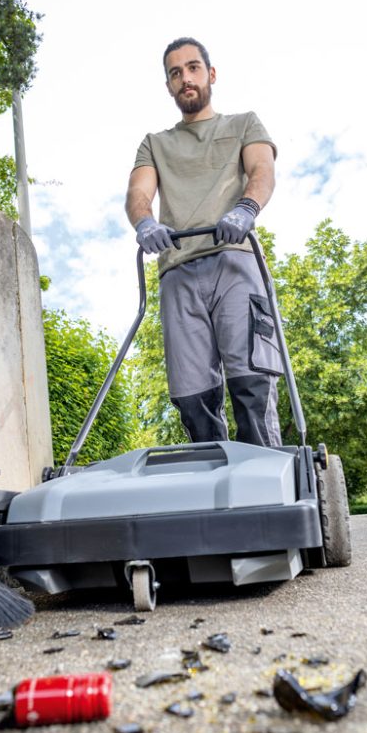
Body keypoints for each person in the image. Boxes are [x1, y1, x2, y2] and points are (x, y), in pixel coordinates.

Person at [125, 36, 283, 447]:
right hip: (178, 272)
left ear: (210, 74)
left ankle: (265, 484)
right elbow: (138, 195)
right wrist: (144, 224)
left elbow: (261, 169)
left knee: (252, 382)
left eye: (193, 68)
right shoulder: (155, 144)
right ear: (169, 86)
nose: (185, 78)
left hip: (233, 260)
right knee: (192, 396)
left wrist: (246, 209)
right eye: (175, 73)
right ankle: (216, 488)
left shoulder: (243, 124)